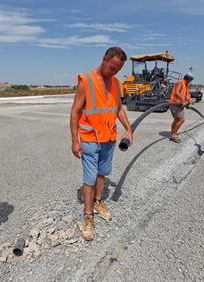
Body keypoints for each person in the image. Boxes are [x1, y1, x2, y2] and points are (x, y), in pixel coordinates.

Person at [70, 47, 133, 241]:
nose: (113, 72)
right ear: (104, 59)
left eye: (117, 70)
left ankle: (98, 202)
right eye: (112, 67)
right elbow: (74, 113)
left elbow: (118, 109)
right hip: (89, 139)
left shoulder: (115, 83)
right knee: (89, 178)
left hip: (108, 138)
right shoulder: (86, 81)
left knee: (102, 173)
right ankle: (88, 216)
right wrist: (74, 140)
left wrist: (128, 128)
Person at [168, 73, 194, 143]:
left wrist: (189, 103)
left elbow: (187, 96)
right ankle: (174, 134)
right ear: (189, 79)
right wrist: (183, 101)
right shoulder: (180, 82)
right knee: (181, 120)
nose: (190, 82)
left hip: (179, 105)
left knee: (177, 119)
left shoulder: (186, 86)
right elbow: (177, 93)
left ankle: (172, 134)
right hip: (175, 103)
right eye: (190, 80)